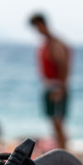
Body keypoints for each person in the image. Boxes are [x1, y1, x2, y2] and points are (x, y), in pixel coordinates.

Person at [29, 13, 71, 148]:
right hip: (50, 86)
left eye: (37, 27)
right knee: (54, 122)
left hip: (56, 86)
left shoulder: (55, 44)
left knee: (58, 122)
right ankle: (60, 149)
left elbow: (63, 66)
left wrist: (61, 88)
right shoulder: (46, 44)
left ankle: (63, 152)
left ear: (42, 25)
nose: (37, 31)